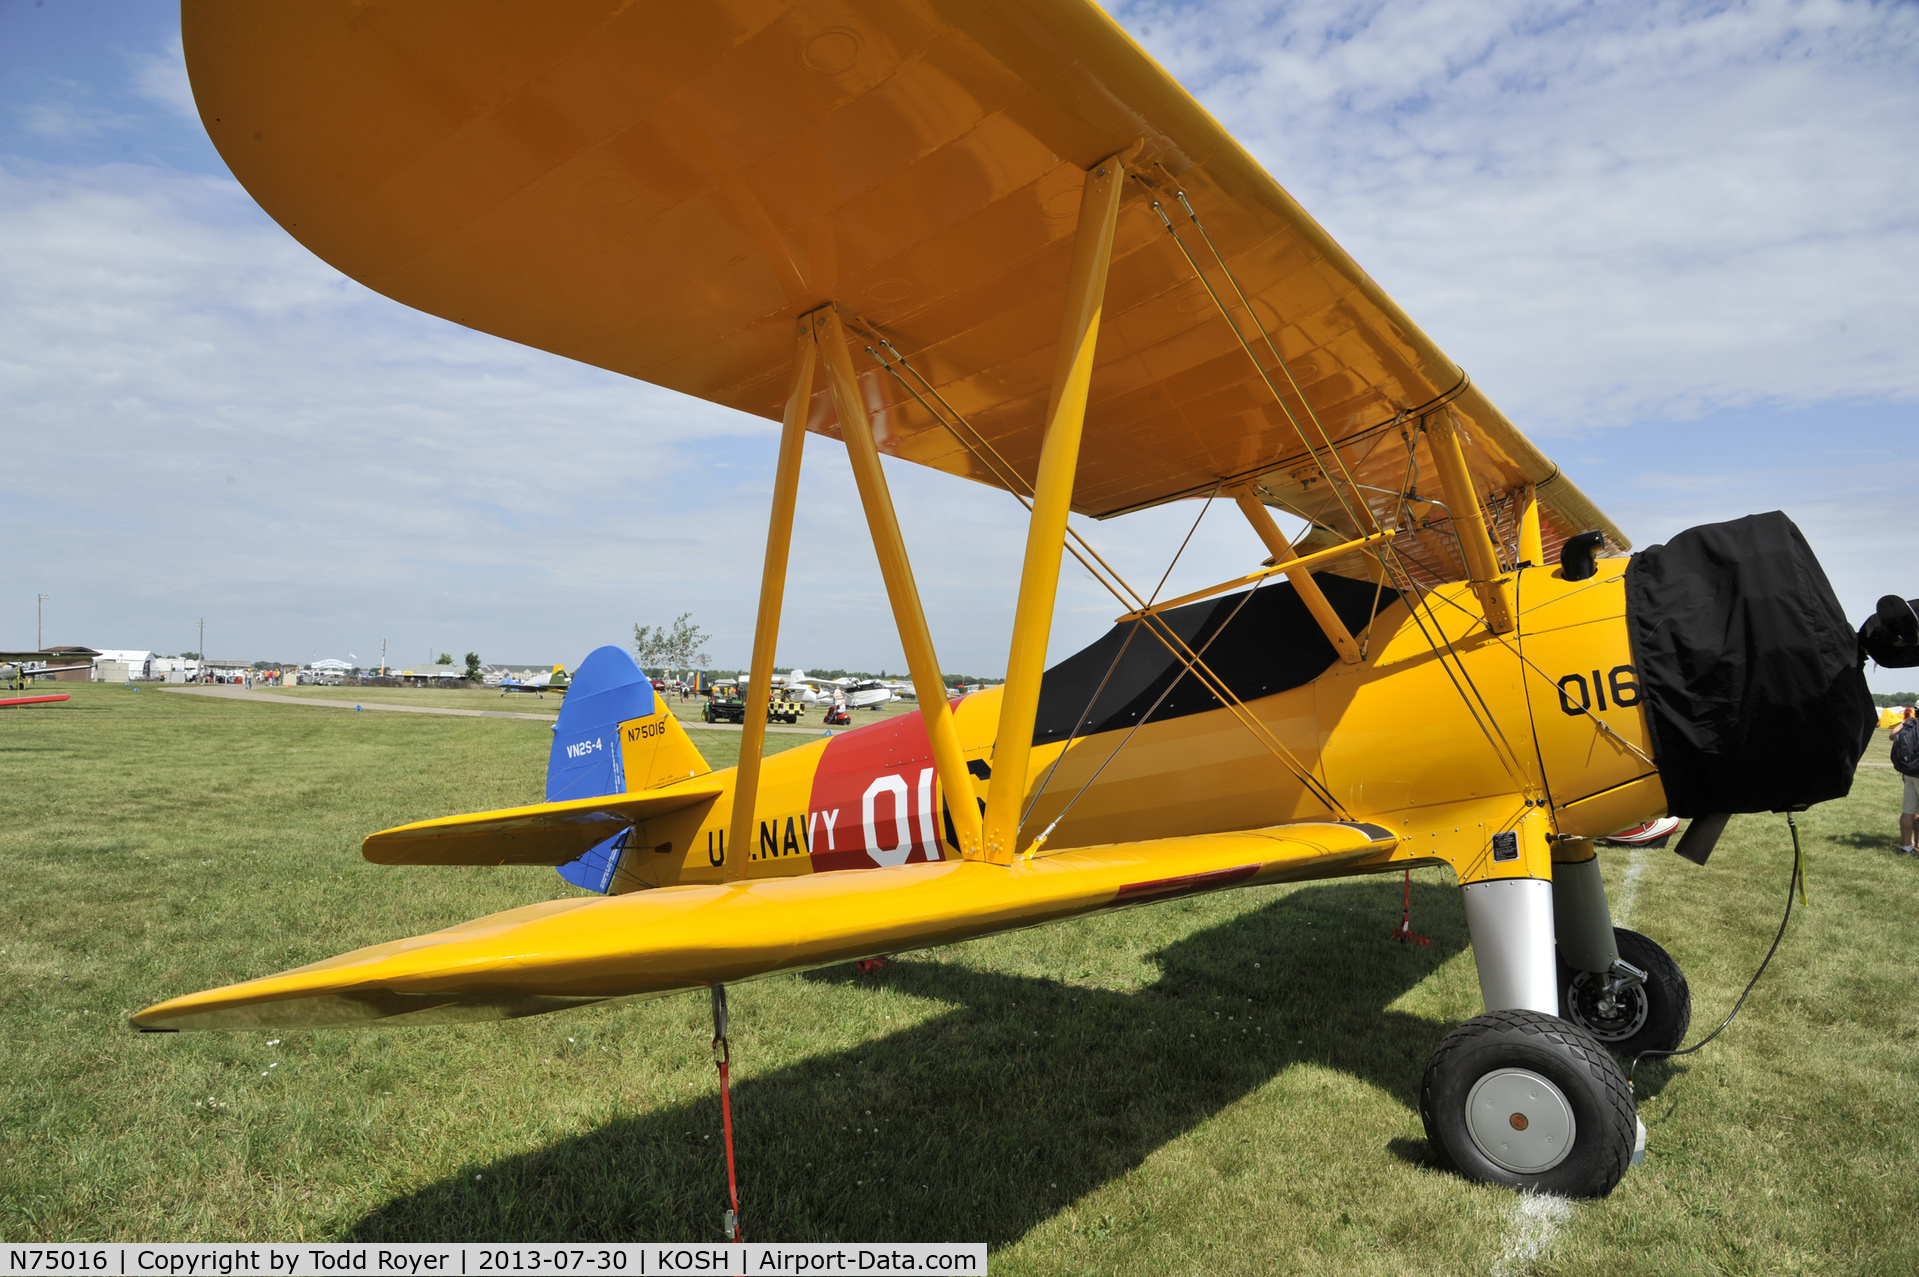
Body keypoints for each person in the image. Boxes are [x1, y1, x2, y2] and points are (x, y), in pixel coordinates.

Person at [1894, 706, 1919, 855]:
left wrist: (1905, 722)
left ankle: (1907, 846)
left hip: (1909, 773)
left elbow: (1892, 735)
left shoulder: (1910, 725)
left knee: (1908, 811)